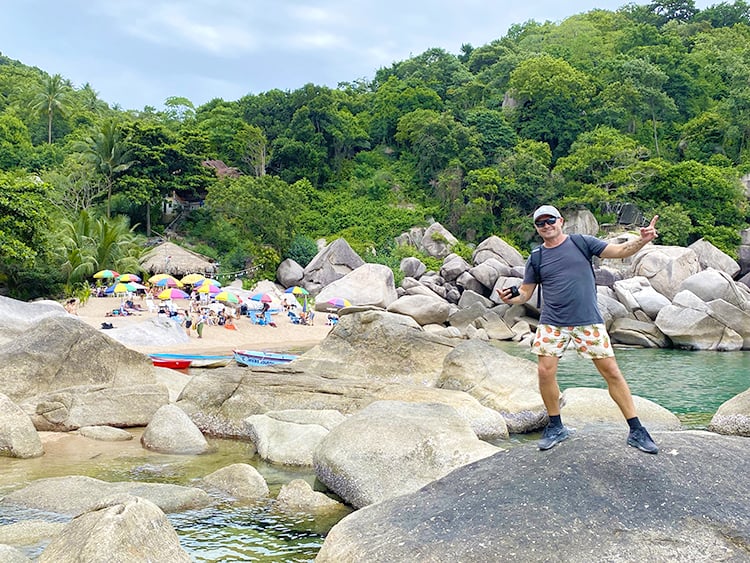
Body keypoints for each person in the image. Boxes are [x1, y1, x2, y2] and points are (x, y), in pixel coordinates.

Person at [497, 205, 660, 455]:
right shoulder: (537, 257)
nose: (547, 225)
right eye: (541, 223)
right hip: (552, 322)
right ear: (537, 228)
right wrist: (513, 298)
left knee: (612, 372)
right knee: (545, 372)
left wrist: (642, 241)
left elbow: (618, 251)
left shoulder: (582, 242)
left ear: (560, 221)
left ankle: (637, 429)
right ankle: (555, 426)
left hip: (587, 320)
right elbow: (526, 292)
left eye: (550, 220)